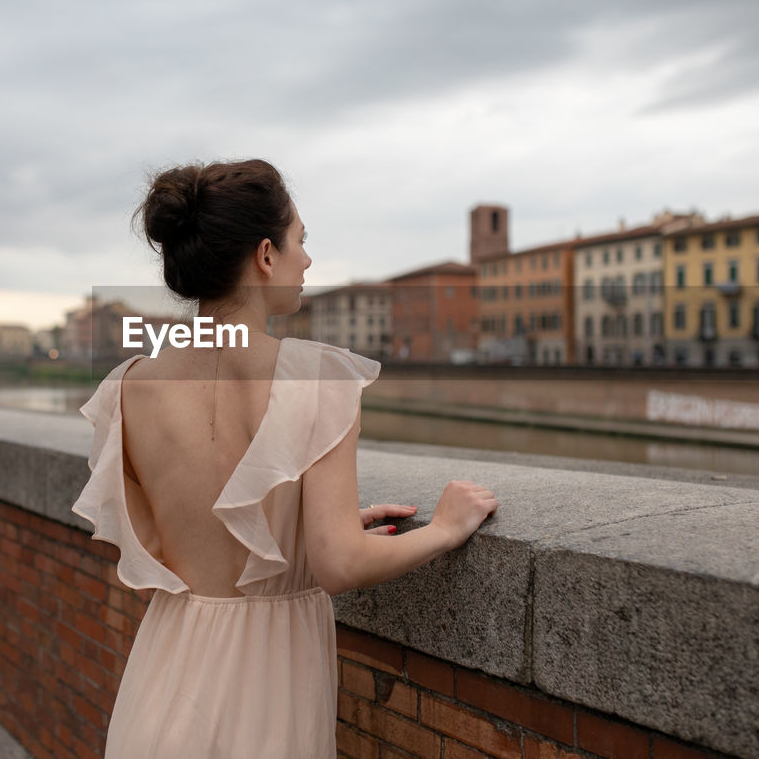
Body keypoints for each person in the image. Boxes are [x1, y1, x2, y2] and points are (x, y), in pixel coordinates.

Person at [72, 158, 499, 758]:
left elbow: (194, 528)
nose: (307, 262)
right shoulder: (317, 374)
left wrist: (299, 526)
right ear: (265, 256)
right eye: (301, 242)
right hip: (265, 699)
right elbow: (341, 566)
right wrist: (448, 528)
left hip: (160, 688)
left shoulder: (129, 385)